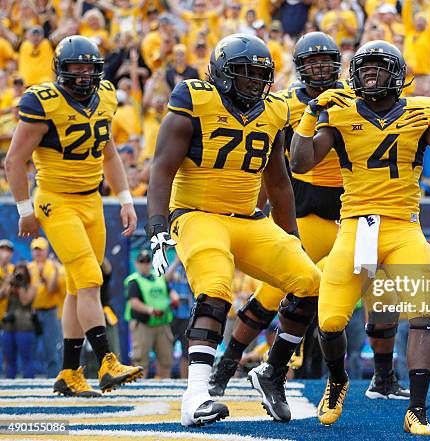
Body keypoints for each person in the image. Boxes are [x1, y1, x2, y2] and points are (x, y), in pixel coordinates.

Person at [209, 31, 410, 402]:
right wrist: (257, 207)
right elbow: (270, 162)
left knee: (380, 293)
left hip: (353, 212)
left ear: (339, 66)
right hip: (305, 211)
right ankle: (227, 366)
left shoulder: (355, 97)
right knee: (271, 293)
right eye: (311, 63)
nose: (319, 69)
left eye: (325, 62)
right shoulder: (283, 104)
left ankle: (383, 378)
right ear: (300, 68)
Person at [291, 40, 430, 434]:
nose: (370, 74)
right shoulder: (338, 112)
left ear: (398, 74)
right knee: (331, 320)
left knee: (423, 309)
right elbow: (300, 162)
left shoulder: (420, 113)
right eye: (364, 67)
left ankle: (418, 409)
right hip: (355, 226)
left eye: (378, 67)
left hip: (403, 227)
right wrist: (311, 113)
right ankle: (337, 381)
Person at [146, 34, 321, 426]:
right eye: (243, 74)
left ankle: (272, 373)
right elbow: (161, 169)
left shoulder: (274, 111)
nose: (253, 83)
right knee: (215, 287)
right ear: (222, 73)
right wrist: (157, 226)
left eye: (259, 75)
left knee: (310, 280)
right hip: (197, 214)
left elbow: (277, 182)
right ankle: (196, 397)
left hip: (248, 219)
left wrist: (291, 236)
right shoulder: (194, 99)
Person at [5, 35, 142, 396]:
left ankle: (68, 373)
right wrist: (24, 209)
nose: (83, 75)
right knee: (90, 277)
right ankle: (108, 361)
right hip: (55, 200)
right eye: (75, 67)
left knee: (77, 287)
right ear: (61, 70)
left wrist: (126, 199)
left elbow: (110, 154)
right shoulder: (43, 102)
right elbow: (14, 160)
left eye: (88, 68)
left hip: (92, 200)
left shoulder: (107, 97)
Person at [124, 250, 176, 379]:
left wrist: (175, 298)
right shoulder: (133, 281)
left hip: (162, 323)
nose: (145, 264)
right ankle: (140, 393)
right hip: (143, 324)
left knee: (166, 360)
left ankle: (165, 391)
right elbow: (133, 302)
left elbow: (169, 290)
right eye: (142, 262)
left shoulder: (158, 277)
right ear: (136, 264)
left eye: (147, 261)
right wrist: (151, 310)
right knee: (140, 361)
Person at [28, 237, 62, 378]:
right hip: (33, 313)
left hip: (50, 312)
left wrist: (44, 275)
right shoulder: (29, 268)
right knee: (30, 348)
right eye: (35, 250)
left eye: (40, 250)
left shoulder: (53, 266)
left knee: (51, 349)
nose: (38, 253)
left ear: (46, 251)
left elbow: (53, 289)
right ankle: (28, 379)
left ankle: (53, 379)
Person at [0, 262, 37, 378]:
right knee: (9, 358)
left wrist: (20, 285)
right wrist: (7, 282)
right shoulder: (10, 285)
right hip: (8, 326)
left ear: (27, 274)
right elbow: (1, 296)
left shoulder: (31, 287)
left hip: (24, 326)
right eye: (17, 272)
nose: (20, 275)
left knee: (26, 358)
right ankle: (9, 382)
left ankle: (30, 385)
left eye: (22, 273)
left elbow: (25, 301)